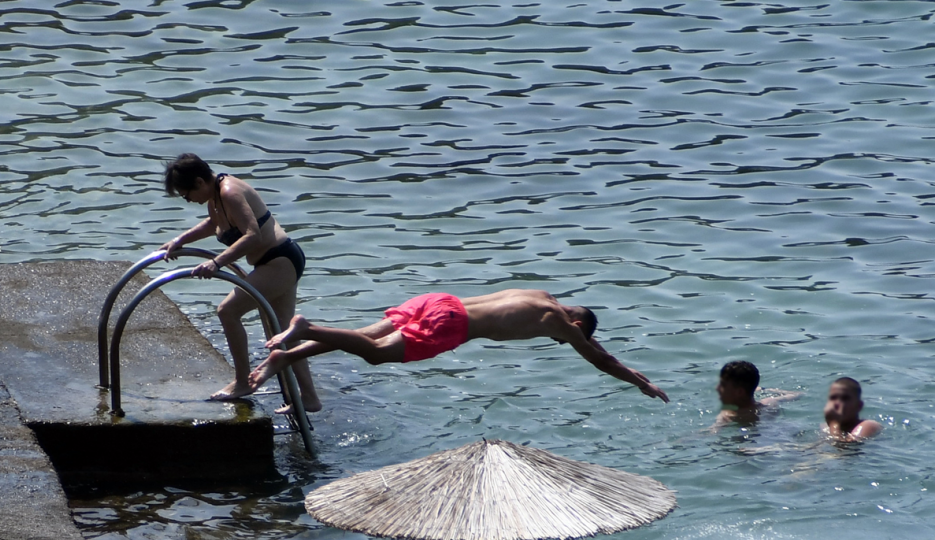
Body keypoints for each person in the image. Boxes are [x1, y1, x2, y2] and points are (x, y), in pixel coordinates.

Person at [247, 289, 669, 402]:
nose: (562, 340)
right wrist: (640, 382)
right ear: (576, 322)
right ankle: (305, 328)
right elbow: (601, 359)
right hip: (453, 323)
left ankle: (284, 357)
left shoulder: (541, 295)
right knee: (374, 355)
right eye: (568, 337)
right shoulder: (557, 320)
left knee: (365, 336)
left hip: (441, 300)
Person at [161, 153, 320, 414]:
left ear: (200, 181)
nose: (188, 200)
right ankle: (310, 398)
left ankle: (242, 381)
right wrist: (180, 240)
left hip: (279, 260)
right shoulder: (215, 198)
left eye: (186, 194)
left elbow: (252, 235)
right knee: (282, 333)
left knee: (228, 310)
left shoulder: (229, 191)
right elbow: (213, 224)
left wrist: (217, 263)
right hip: (276, 262)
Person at [711, 360, 801, 430]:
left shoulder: (728, 416)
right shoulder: (769, 403)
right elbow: (798, 394)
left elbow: (711, 432)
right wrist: (765, 389)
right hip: (783, 431)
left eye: (723, 385)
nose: (717, 388)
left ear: (740, 392)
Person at [824, 377, 882, 441]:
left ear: (859, 406)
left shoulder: (868, 425)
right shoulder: (826, 427)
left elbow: (846, 448)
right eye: (833, 398)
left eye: (845, 398)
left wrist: (834, 424)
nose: (837, 403)